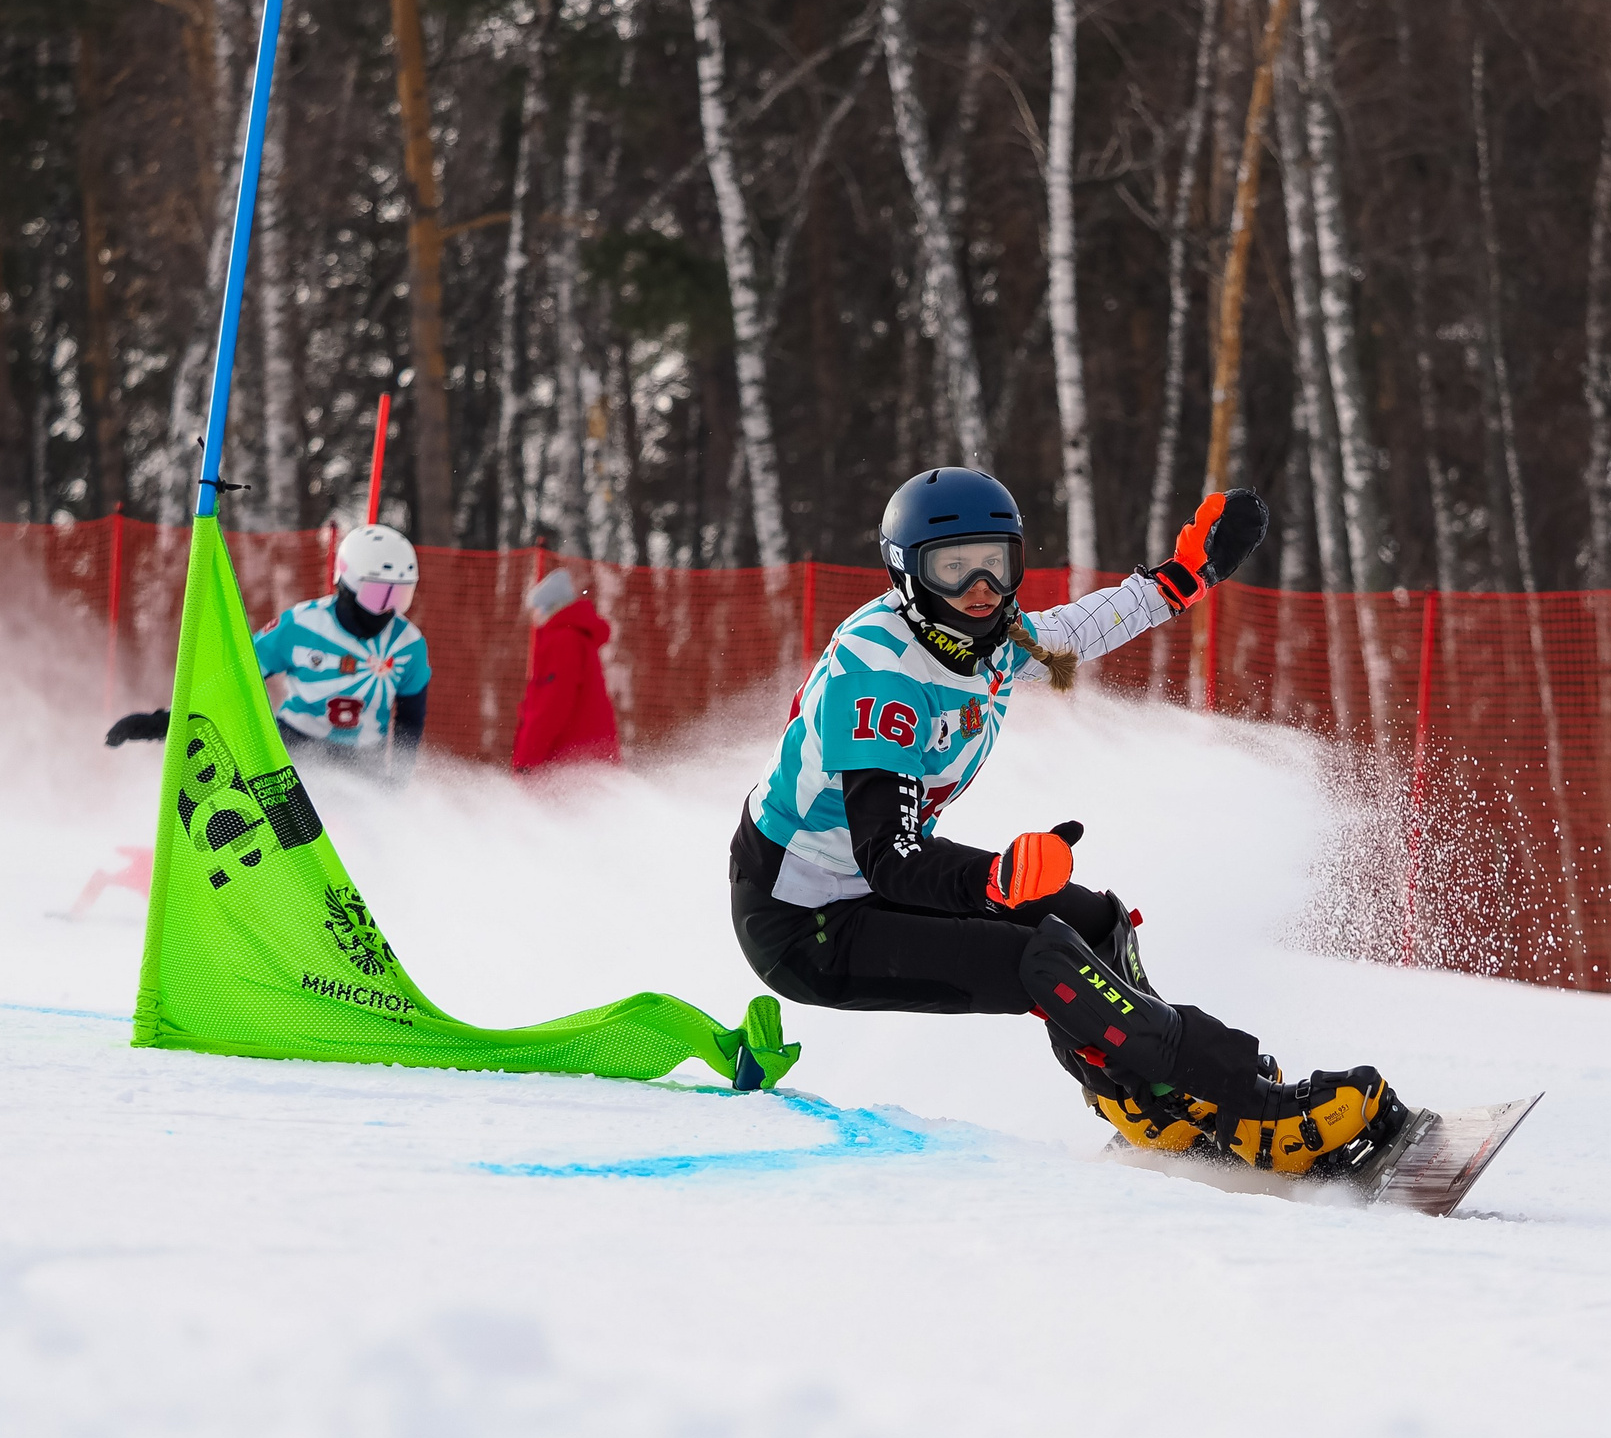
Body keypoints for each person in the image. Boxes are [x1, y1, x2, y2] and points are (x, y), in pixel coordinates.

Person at [727, 467, 1405, 1178]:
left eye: (996, 563)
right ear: (908, 577)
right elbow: (890, 858)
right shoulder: (882, 672)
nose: (980, 590)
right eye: (952, 571)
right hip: (803, 919)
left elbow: (1072, 630)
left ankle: (1150, 1105)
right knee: (1043, 959)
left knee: (1092, 921)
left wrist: (1184, 576)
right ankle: (1243, 1102)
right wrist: (995, 877)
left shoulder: (975, 634)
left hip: (860, 877)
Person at [106, 522, 433, 776]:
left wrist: (396, 780)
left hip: (364, 760)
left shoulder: (409, 645)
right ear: (346, 582)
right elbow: (234, 681)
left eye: (399, 596)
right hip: (294, 747)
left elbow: (410, 720)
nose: (387, 610)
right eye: (378, 596)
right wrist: (163, 722)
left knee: (365, 835)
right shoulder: (301, 626)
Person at [511, 568, 621, 772]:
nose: (534, 617)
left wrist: (527, 760)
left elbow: (552, 704)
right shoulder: (575, 637)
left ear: (549, 608)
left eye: (536, 609)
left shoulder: (561, 641)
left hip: (569, 761)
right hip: (586, 759)